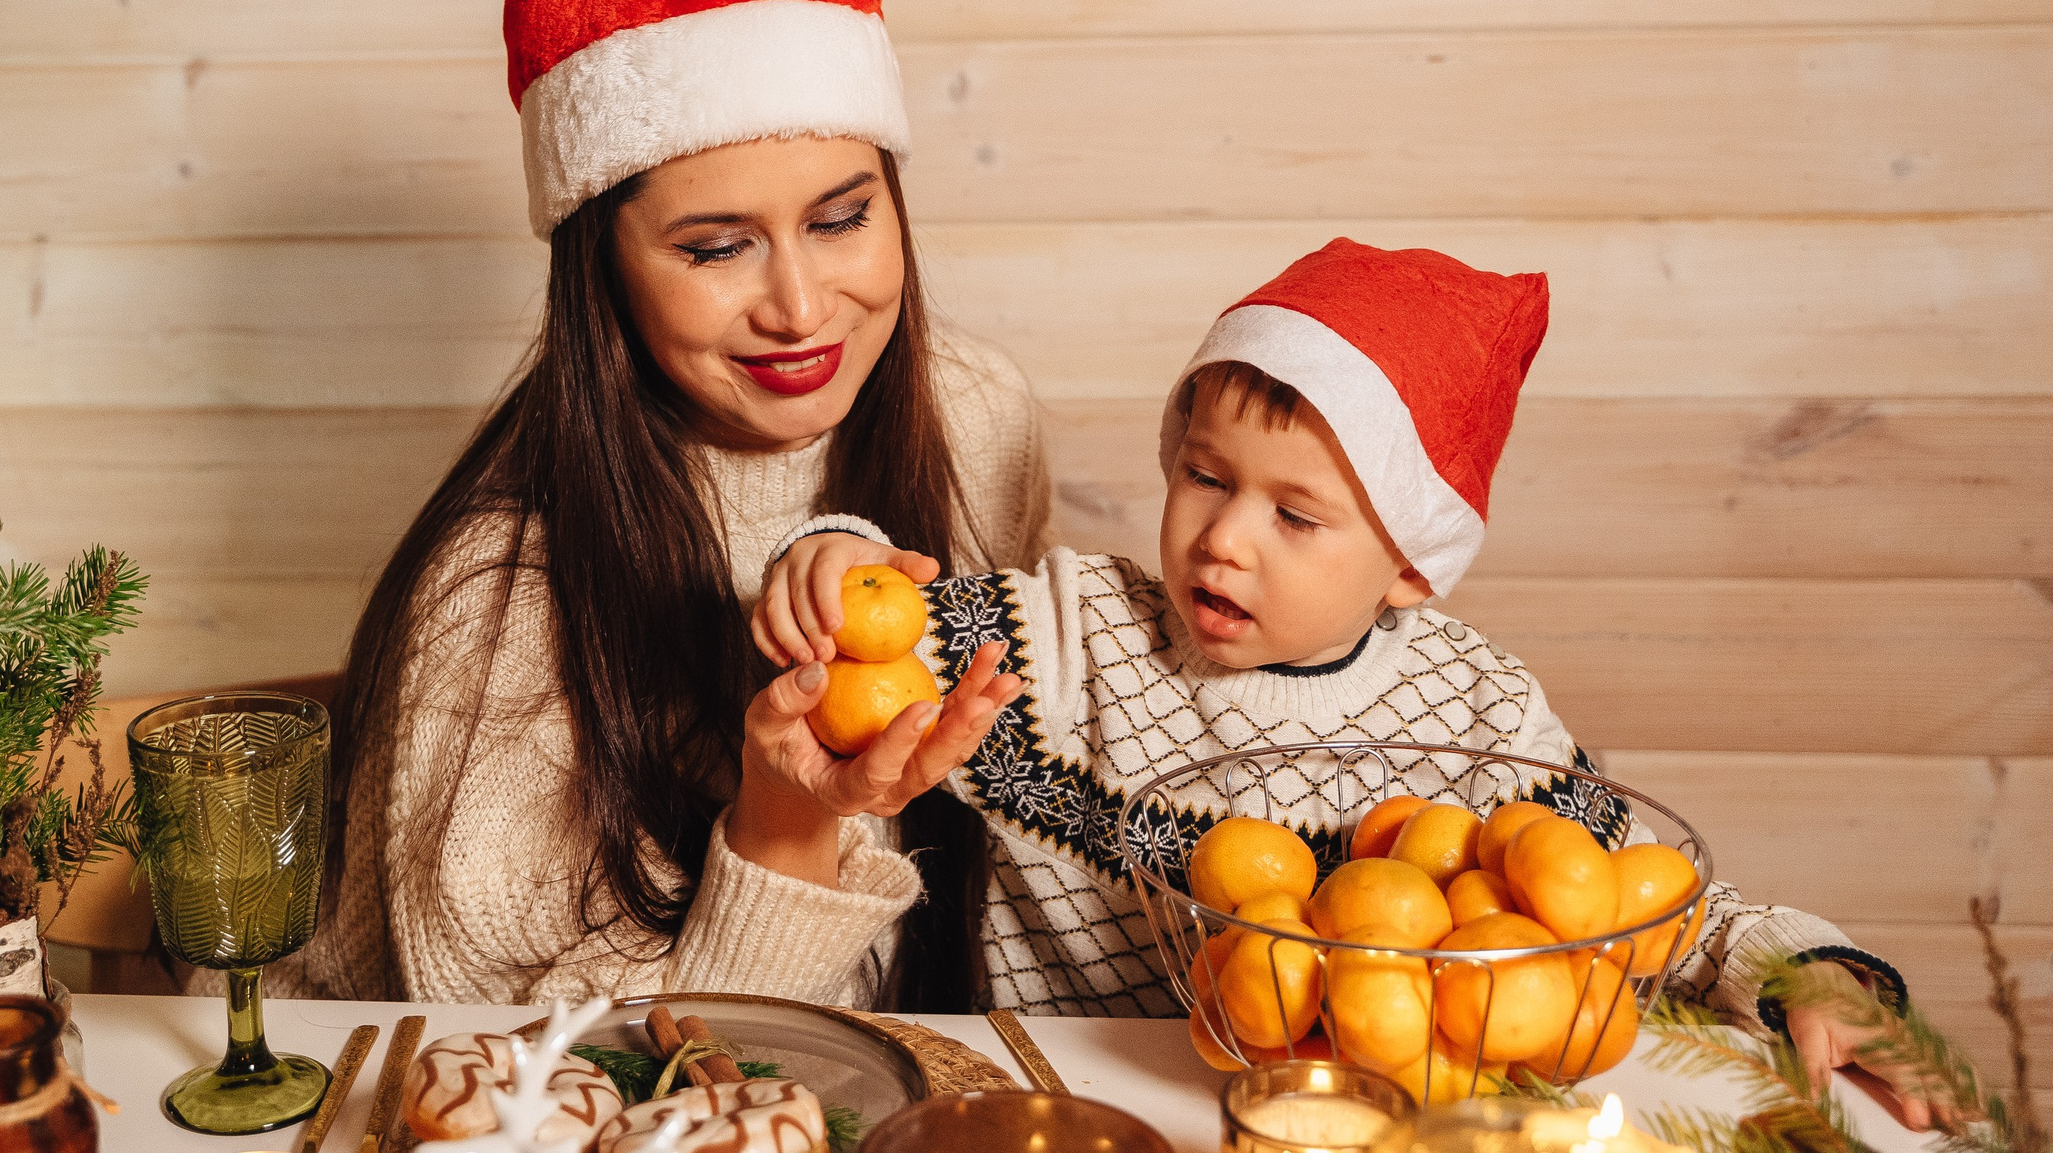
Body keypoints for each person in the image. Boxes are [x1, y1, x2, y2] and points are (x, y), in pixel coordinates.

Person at [756, 240, 1954, 1125]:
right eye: (1204, 475)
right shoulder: (1071, 630)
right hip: (1077, 1106)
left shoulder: (1483, 714)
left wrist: (1818, 974)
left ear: (1409, 567)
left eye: (1296, 513)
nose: (1225, 536)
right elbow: (880, 631)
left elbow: (1653, 910)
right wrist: (833, 554)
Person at [269, 0, 1046, 1009]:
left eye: (840, 219)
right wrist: (786, 822)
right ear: (605, 275)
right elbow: (531, 1070)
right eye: (717, 246)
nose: (801, 307)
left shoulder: (978, 416)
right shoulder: (499, 590)